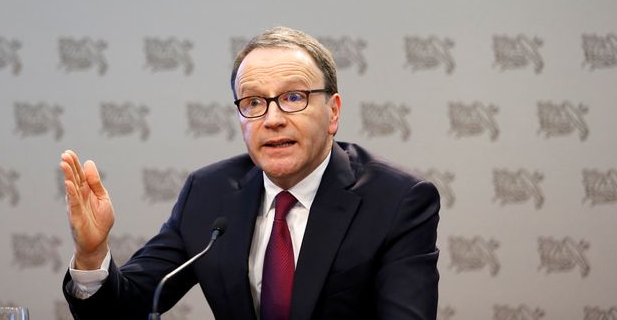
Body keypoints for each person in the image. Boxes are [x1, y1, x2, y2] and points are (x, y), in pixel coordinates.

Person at [60, 27, 440, 319]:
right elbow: (124, 310)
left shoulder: (396, 200)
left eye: (293, 97)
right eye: (254, 102)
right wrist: (92, 255)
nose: (272, 119)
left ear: (333, 112)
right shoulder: (208, 193)